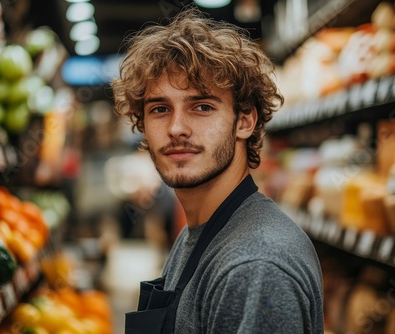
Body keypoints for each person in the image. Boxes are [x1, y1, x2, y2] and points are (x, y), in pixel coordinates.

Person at [112, 6, 324, 334]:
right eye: (159, 109)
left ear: (245, 121)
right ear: (143, 125)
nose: (176, 128)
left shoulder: (256, 267)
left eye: (202, 107)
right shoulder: (200, 232)